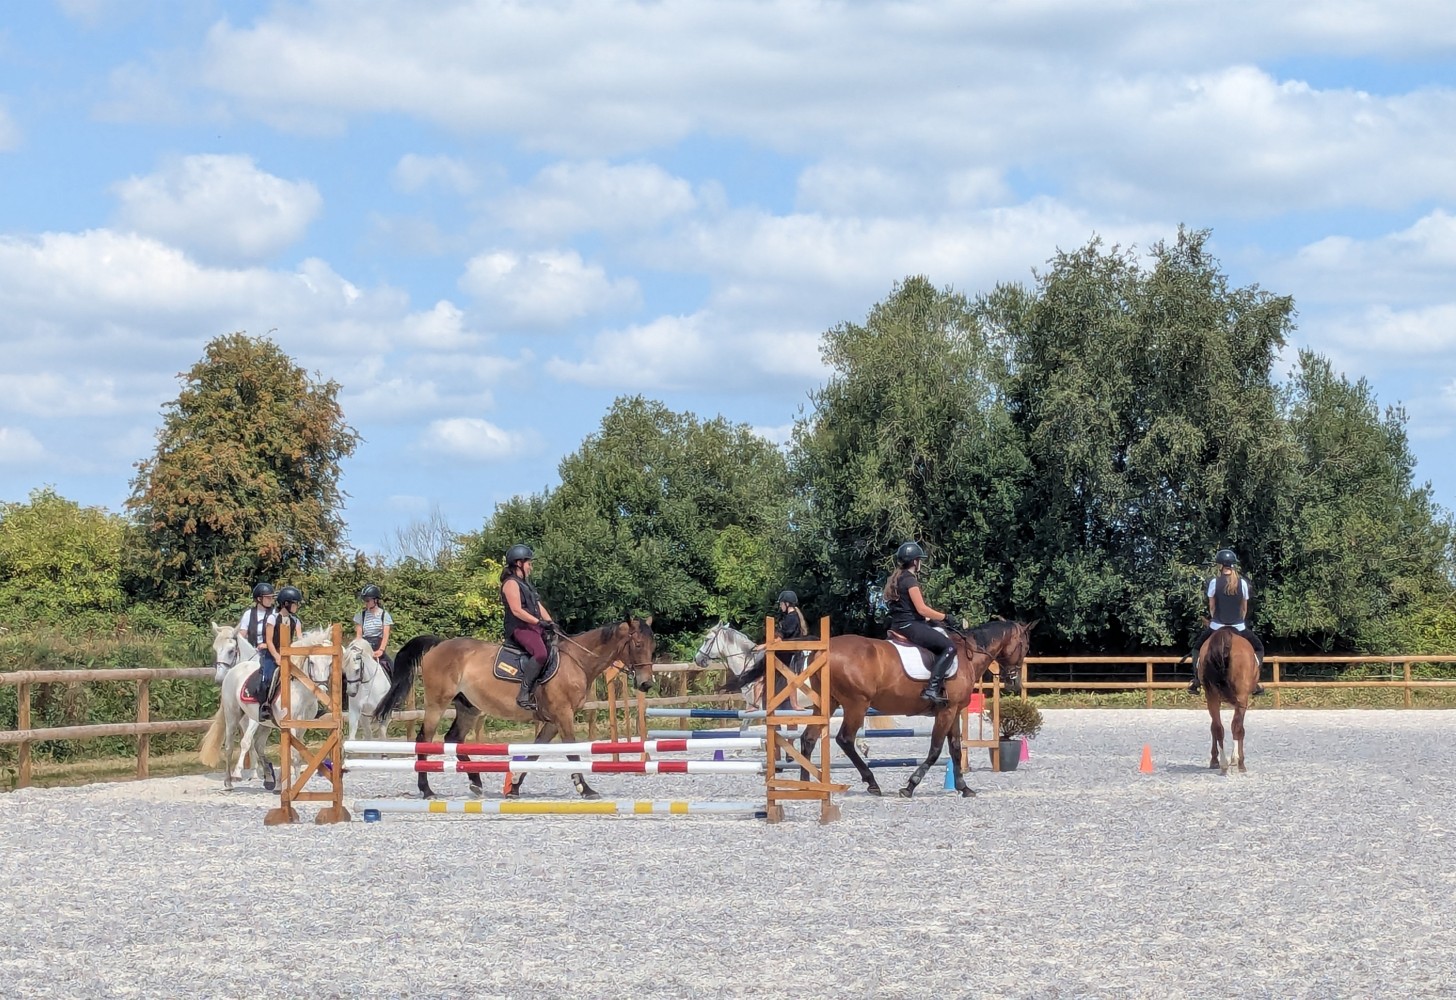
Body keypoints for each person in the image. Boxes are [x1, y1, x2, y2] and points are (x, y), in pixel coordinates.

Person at [882, 541, 956, 706]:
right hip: (910, 626)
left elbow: (910, 610)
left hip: (899, 624)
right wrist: (945, 617)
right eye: (919, 560)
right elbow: (922, 609)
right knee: (950, 647)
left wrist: (932, 619)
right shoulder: (910, 580)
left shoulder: (897, 578)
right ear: (915, 561)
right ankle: (932, 688)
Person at [1188, 549, 1265, 695]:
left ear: (1221, 566)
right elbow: (1244, 607)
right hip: (1239, 626)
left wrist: (1214, 618)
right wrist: (1240, 619)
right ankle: (1255, 682)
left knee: (1197, 649)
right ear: (1232, 565)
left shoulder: (1214, 582)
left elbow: (1212, 606)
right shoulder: (1242, 583)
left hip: (1217, 626)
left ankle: (1196, 682)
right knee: (1259, 648)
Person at [500, 544, 558, 710]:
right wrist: (539, 623)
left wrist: (551, 623)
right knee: (540, 653)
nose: (531, 567)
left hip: (531, 626)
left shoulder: (525, 584)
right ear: (519, 563)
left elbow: (538, 606)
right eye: (529, 563)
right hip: (519, 628)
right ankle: (523, 694)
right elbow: (517, 610)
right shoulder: (511, 583)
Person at [257, 585, 304, 722]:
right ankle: (265, 705)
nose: (297, 606)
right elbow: (269, 641)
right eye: (295, 603)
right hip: (272, 655)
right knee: (269, 677)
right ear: (286, 603)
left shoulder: (296, 621)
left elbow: (300, 640)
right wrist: (277, 657)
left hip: (290, 655)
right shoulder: (272, 618)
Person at [353, 584, 394, 671]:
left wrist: (381, 650)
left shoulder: (384, 615)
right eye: (364, 600)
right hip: (364, 646)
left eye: (367, 600)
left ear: (375, 600)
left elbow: (385, 635)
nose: (365, 603)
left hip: (377, 646)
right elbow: (359, 636)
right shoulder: (360, 615)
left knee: (392, 667)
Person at [236, 582, 275, 654]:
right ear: (259, 599)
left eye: (272, 597)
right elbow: (242, 634)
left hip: (270, 652)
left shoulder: (275, 613)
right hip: (252, 652)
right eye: (268, 597)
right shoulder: (248, 614)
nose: (271, 600)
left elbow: (280, 636)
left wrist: (267, 645)